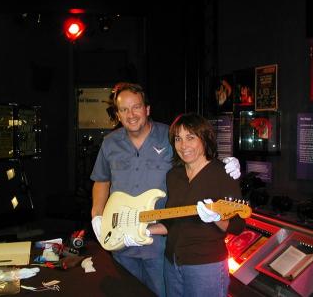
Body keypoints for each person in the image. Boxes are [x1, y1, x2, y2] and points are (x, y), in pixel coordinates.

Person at [90, 83, 241, 297]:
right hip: (121, 238)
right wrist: (97, 216)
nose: (131, 114)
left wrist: (225, 163)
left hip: (160, 244)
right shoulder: (109, 143)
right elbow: (101, 180)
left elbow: (195, 152)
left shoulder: (170, 136)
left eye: (136, 107)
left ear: (147, 109)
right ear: (117, 113)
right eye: (124, 109)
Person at [148, 112, 246, 297]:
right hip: (172, 263)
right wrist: (142, 231)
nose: (184, 145)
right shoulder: (173, 175)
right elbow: (171, 223)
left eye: (190, 137)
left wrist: (217, 217)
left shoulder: (223, 173)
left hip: (206, 267)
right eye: (178, 138)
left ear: (204, 138)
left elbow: (238, 225)